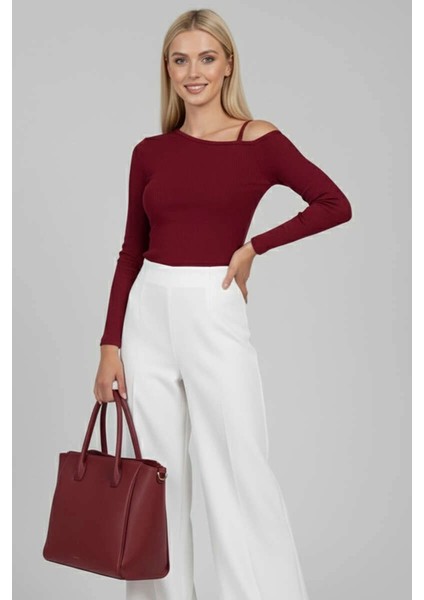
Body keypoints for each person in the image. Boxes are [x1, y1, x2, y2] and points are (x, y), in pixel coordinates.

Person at [94, 8, 352, 600]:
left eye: (206, 58)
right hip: (148, 314)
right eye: (180, 59)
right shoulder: (150, 151)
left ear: (228, 65)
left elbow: (333, 202)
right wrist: (110, 344)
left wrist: (255, 246)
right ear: (167, 69)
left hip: (213, 308)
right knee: (154, 480)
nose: (194, 72)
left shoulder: (257, 139)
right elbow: (131, 251)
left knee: (239, 470)